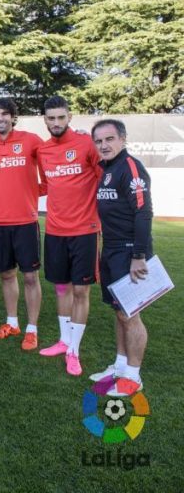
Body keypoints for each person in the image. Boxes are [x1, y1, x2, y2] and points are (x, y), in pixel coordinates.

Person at [37, 96, 102, 376]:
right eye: (51, 118)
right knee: (61, 288)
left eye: (60, 117)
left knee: (80, 291)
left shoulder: (87, 144)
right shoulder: (43, 151)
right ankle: (64, 341)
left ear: (70, 117)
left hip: (85, 232)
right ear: (45, 120)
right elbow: (46, 184)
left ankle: (74, 349)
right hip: (54, 231)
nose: (56, 123)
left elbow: (104, 179)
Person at [90, 119, 152, 396]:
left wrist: (139, 255)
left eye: (109, 139)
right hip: (112, 249)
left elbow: (143, 212)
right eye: (99, 141)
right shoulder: (106, 169)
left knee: (130, 315)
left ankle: (133, 377)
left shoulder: (130, 167)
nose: (104, 145)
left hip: (129, 252)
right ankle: (120, 365)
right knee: (119, 313)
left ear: (123, 139)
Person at [0, 98, 44, 351]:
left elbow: (52, 167)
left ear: (12, 117)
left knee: (30, 276)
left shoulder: (31, 140)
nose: (0, 118)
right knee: (6, 274)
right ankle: (12, 323)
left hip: (25, 222)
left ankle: (32, 329)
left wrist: (31, 193)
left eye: (5, 114)